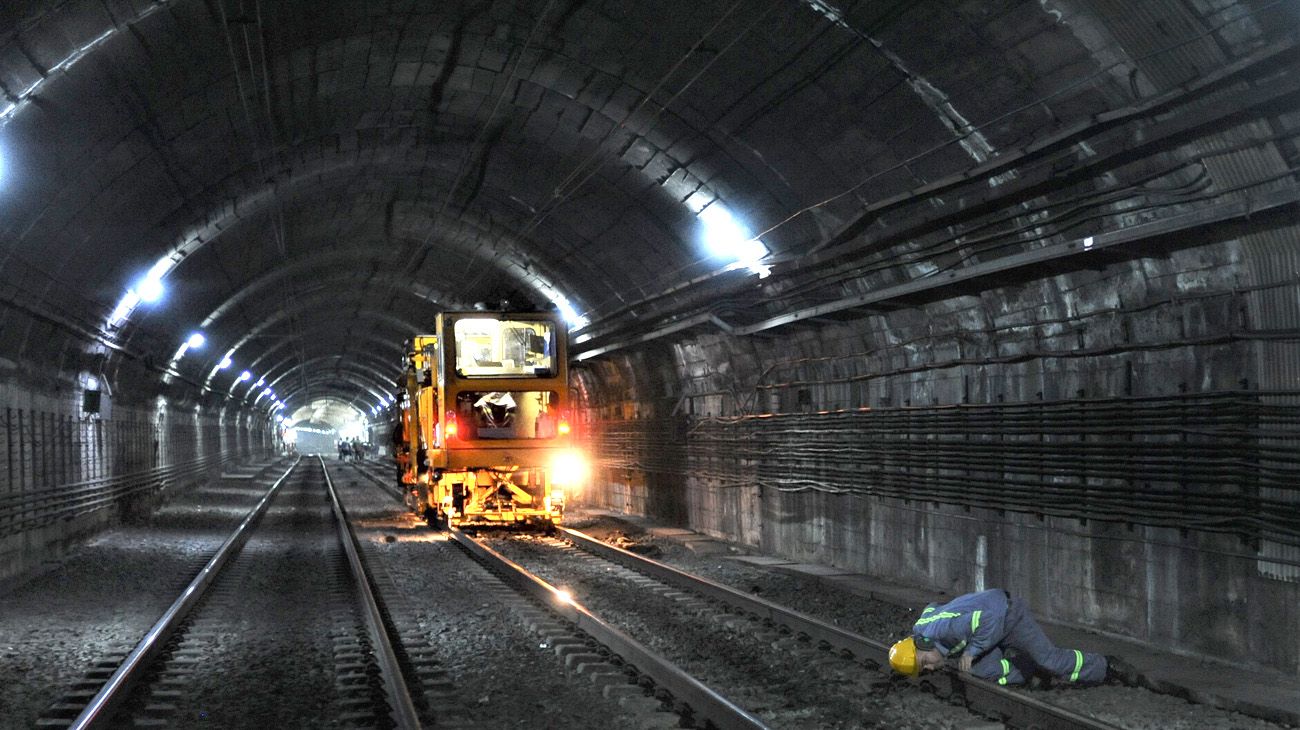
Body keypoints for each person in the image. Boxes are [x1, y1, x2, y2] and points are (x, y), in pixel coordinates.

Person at [888, 588, 1135, 687]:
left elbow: (988, 618)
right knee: (978, 673)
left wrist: (971, 651)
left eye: (924, 662)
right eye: (924, 669)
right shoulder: (922, 630)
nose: (930, 667)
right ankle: (1032, 671)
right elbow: (931, 607)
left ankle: (1107, 667)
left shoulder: (948, 630)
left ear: (923, 643)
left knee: (1050, 659)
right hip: (986, 631)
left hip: (1007, 616)